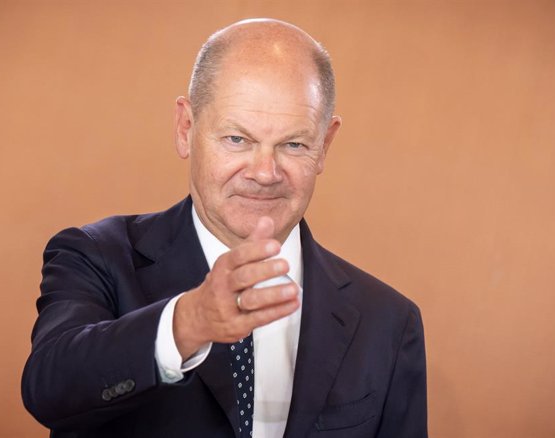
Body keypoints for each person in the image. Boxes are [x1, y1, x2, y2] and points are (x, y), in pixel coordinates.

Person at [22, 18, 427, 438]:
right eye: (237, 139)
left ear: (324, 145)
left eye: (293, 144)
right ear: (186, 129)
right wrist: (188, 322)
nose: (265, 172)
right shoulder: (95, 256)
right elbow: (49, 388)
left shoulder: (390, 323)